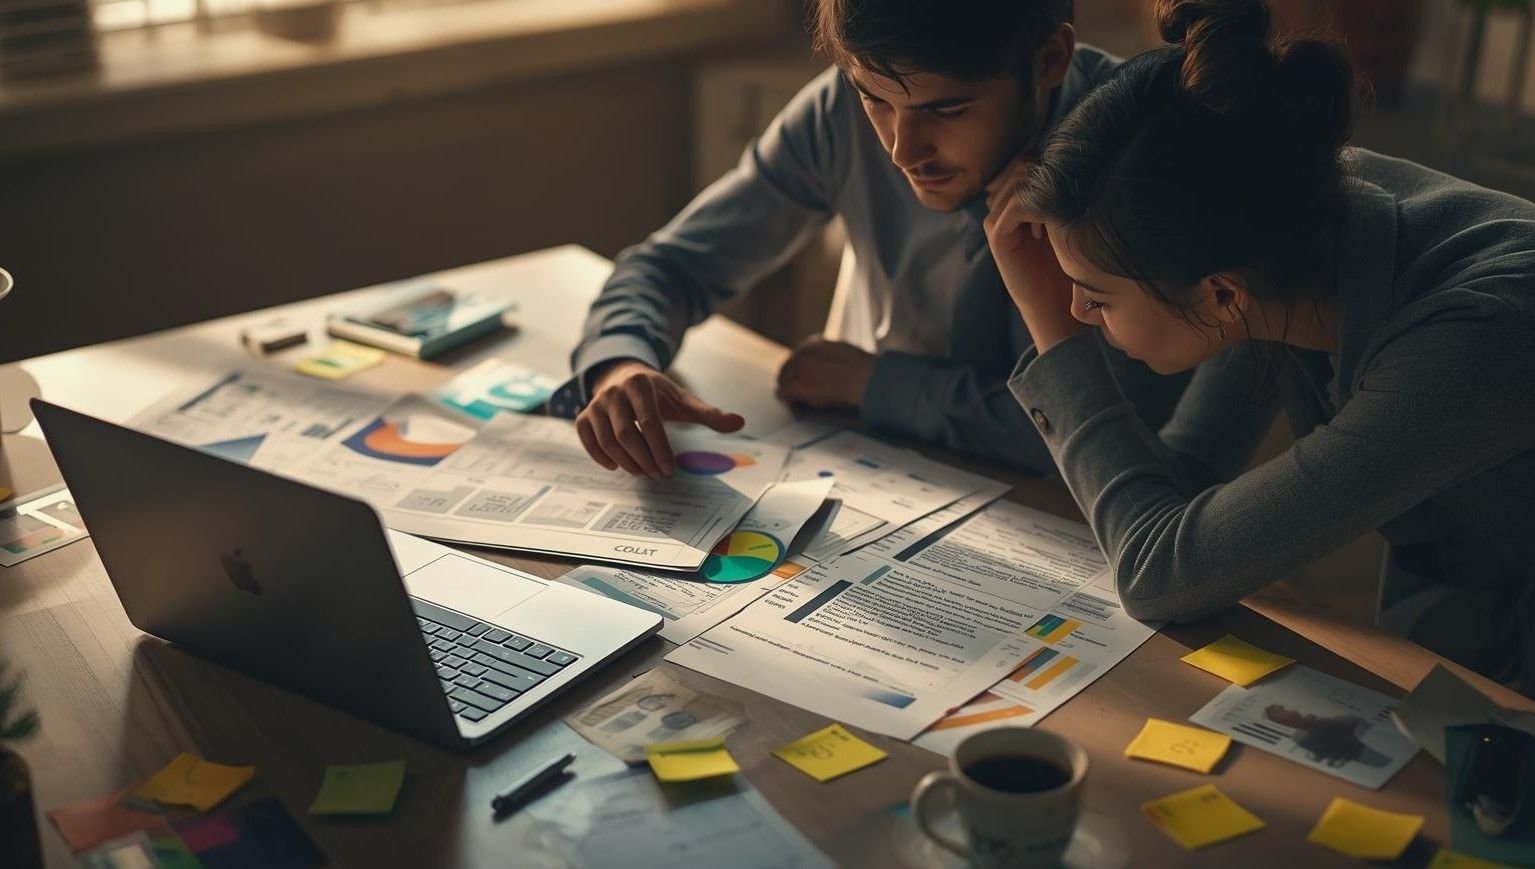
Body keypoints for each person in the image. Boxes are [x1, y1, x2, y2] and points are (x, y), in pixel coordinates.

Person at [987, 0, 1535, 688]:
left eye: (1093, 297)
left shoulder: (1469, 339)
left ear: (1220, 295)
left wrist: (1051, 329)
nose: (1074, 309)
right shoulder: (1279, 220)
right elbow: (1183, 475)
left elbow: (1160, 571)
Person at [547, 0, 1189, 479]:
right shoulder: (839, 111)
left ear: (1049, 60)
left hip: (1080, 522)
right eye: (876, 101)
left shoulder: (1134, 150)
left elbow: (1118, 432)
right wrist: (619, 364)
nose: (901, 149)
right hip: (879, 478)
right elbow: (671, 267)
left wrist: (878, 386)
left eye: (947, 110)